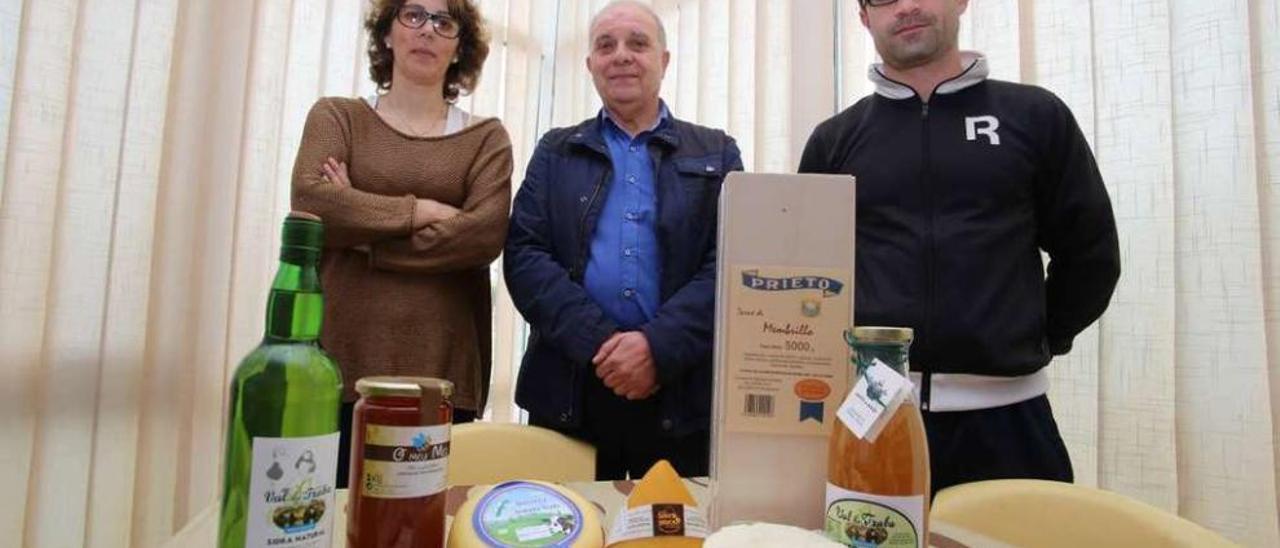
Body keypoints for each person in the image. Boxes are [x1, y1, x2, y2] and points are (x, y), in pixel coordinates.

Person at [799, 0, 1120, 495]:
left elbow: (1091, 256)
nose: (905, 6)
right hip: (873, 416)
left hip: (1010, 422)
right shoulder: (834, 140)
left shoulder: (1036, 117)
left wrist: (1036, 337)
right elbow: (812, 279)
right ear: (864, 17)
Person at [504, 0, 742, 480]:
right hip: (571, 389)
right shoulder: (556, 150)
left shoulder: (717, 151)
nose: (621, 55)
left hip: (679, 392)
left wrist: (656, 346)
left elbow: (733, 264)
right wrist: (605, 344)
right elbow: (525, 256)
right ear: (590, 64)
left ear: (664, 60)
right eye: (605, 46)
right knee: (566, 525)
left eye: (638, 43)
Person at [290, 0, 512, 487]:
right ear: (387, 34)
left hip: (442, 371)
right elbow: (312, 202)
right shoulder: (337, 117)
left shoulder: (486, 139)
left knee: (425, 523)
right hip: (342, 367)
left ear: (460, 49)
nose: (427, 30)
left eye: (444, 22)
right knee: (334, 519)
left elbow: (482, 236)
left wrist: (363, 235)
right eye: (412, 15)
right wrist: (421, 211)